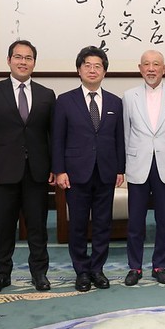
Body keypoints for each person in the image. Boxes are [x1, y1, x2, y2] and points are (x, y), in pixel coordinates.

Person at [0, 40, 56, 296]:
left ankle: (39, 273)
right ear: (9, 60)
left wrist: (54, 167)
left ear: (34, 62)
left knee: (37, 226)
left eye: (29, 58)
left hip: (36, 171)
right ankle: (2, 275)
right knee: (4, 227)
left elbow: (51, 135)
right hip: (2, 171)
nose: (23, 62)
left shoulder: (47, 94)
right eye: (18, 57)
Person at [53, 46, 125, 292]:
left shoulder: (116, 102)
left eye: (98, 66)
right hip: (75, 172)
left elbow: (119, 139)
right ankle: (82, 271)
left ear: (105, 71)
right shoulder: (65, 101)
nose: (92, 70)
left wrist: (120, 169)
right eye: (88, 65)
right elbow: (57, 139)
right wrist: (59, 170)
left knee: (104, 223)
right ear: (79, 69)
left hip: (105, 171)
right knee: (78, 224)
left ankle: (98, 269)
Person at [122, 50, 165, 286]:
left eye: (156, 64)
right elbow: (126, 132)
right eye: (146, 64)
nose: (151, 69)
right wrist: (125, 164)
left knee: (163, 220)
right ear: (140, 68)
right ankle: (134, 267)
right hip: (138, 163)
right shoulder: (129, 96)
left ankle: (160, 265)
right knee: (136, 221)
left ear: (164, 68)